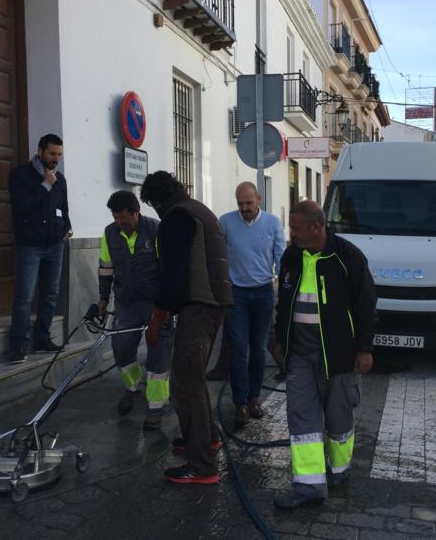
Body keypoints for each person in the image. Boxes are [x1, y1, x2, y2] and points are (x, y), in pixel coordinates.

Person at [273, 201, 376, 510]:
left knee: (338, 416)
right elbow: (284, 302)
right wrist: (279, 342)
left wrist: (365, 349)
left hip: (337, 354)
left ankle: (339, 470)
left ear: (316, 228)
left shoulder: (346, 257)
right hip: (301, 354)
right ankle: (308, 486)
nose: (291, 234)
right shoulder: (292, 256)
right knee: (301, 415)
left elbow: (365, 305)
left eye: (295, 228)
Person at [140, 171, 232, 484]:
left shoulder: (177, 218)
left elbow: (173, 275)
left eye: (152, 204)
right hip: (211, 304)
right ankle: (206, 440)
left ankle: (202, 466)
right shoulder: (198, 209)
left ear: (157, 199)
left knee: (185, 386)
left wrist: (157, 319)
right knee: (194, 381)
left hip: (199, 306)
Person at [97, 190, 172, 430]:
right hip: (126, 302)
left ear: (136, 213)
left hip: (156, 303)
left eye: (123, 218)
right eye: (115, 217)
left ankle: (156, 408)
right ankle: (132, 388)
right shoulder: (109, 234)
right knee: (121, 347)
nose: (120, 222)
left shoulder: (156, 230)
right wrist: (102, 299)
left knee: (158, 354)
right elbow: (106, 268)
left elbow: (169, 270)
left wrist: (167, 305)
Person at [219, 182, 286, 428]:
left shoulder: (272, 223)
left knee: (258, 349)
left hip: (263, 293)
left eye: (248, 203)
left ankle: (254, 398)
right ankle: (240, 403)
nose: (244, 208)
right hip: (236, 295)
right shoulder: (225, 222)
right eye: (240, 204)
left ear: (258, 199)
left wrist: (286, 291)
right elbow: (218, 255)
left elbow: (280, 257)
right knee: (238, 349)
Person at [8, 134, 72, 364]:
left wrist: (68, 229)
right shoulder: (20, 175)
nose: (56, 159)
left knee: (51, 293)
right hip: (31, 245)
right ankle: (18, 345)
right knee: (25, 296)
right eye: (52, 154)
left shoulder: (60, 180)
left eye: (59, 155)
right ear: (40, 151)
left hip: (55, 244)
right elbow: (22, 207)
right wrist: (45, 185)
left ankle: (42, 338)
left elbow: (63, 208)